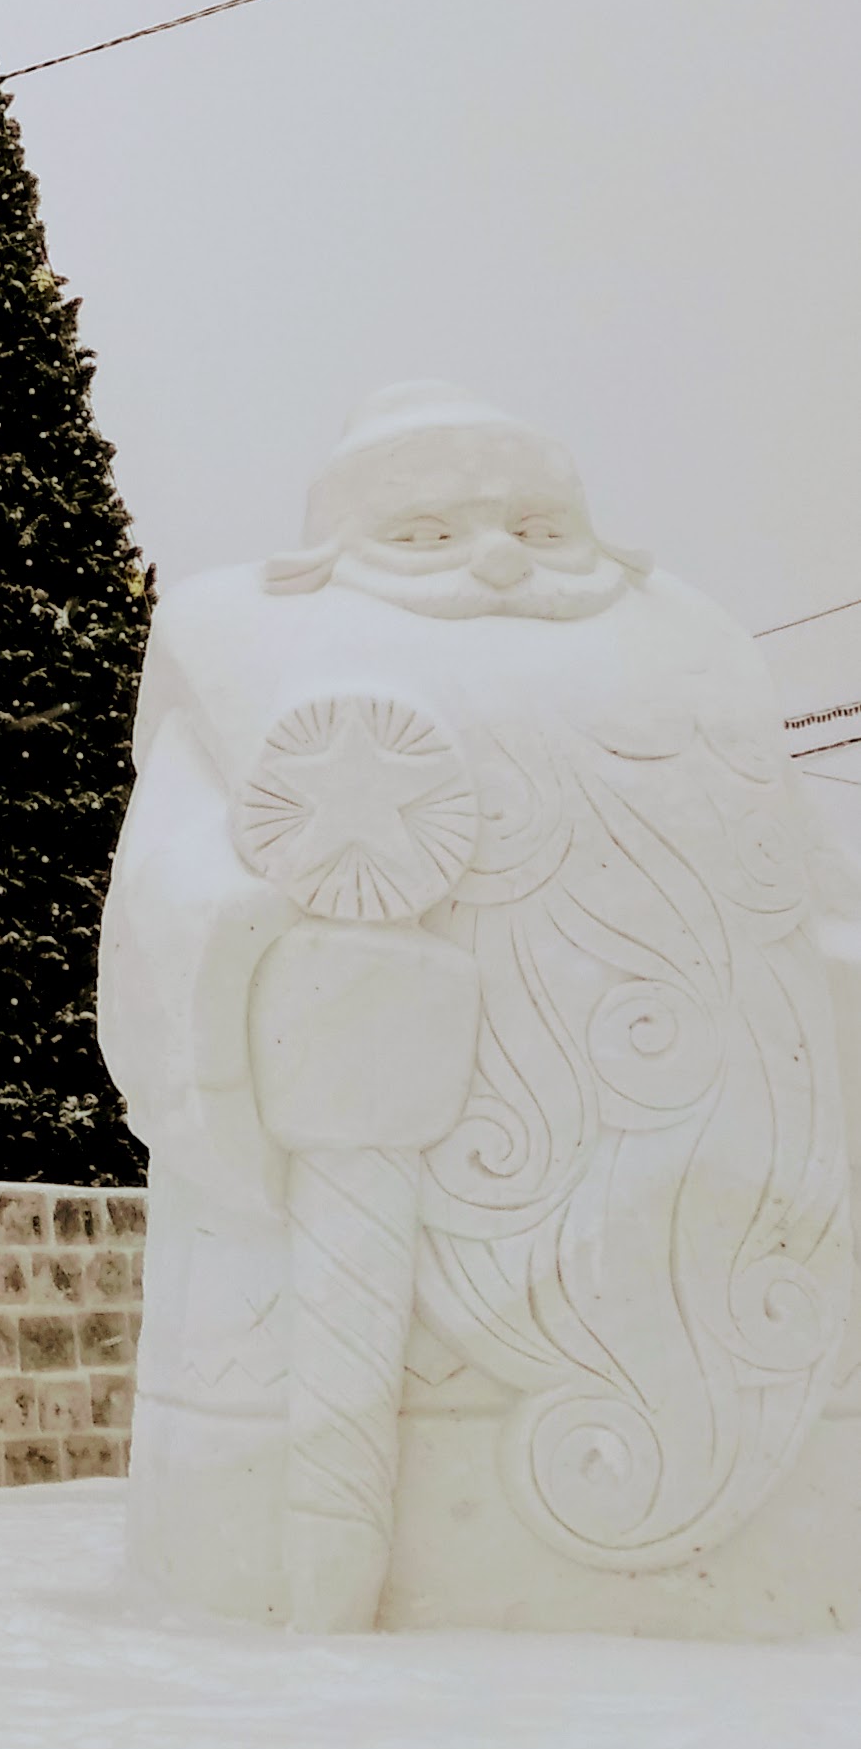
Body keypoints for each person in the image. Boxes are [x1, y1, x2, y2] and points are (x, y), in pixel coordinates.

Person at [103, 381, 861, 1634]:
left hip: (724, 1191)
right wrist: (270, 966)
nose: (498, 558)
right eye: (428, 532)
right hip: (371, 1209)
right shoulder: (242, 640)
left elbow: (809, 888)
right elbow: (170, 885)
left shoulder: (692, 645)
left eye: (539, 526)